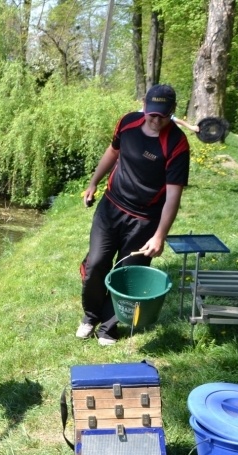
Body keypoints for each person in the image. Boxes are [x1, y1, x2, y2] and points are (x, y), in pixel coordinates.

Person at [78, 84, 190, 346]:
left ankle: (108, 328)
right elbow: (113, 152)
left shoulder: (177, 144)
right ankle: (90, 315)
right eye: (151, 113)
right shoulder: (127, 123)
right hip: (111, 208)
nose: (155, 119)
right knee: (95, 264)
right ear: (144, 105)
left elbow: (173, 196)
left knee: (127, 273)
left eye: (162, 115)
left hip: (144, 220)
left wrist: (160, 235)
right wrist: (94, 182)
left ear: (172, 111)